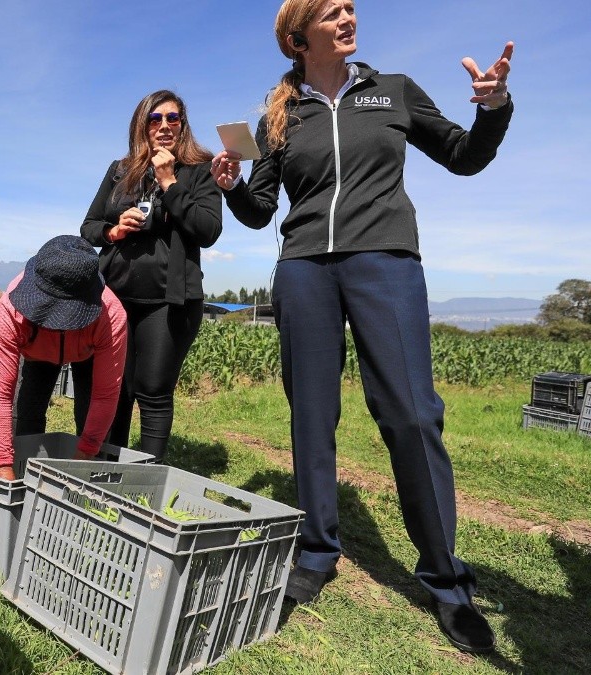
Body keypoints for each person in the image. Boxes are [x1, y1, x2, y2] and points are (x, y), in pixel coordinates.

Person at [211, 0, 513, 654]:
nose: (350, 16)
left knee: (410, 412)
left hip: (386, 262)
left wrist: (492, 110)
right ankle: (317, 553)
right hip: (303, 270)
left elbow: (463, 156)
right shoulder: (277, 113)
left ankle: (446, 580)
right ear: (299, 36)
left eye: (351, 7)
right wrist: (233, 183)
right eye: (333, 11)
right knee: (311, 415)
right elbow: (261, 210)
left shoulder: (393, 90)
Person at [80, 90, 223, 462]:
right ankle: (108, 470)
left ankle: (149, 480)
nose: (163, 127)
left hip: (167, 300)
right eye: (154, 119)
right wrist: (113, 230)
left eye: (172, 119)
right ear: (141, 126)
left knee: (153, 388)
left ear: (182, 125)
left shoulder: (199, 171)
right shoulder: (120, 171)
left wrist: (168, 181)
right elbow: (89, 226)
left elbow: (207, 230)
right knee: (115, 388)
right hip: (114, 297)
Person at [0, 235, 128, 480]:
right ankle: (24, 472)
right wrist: (3, 465)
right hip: (36, 352)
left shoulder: (110, 315)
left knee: (88, 417)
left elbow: (105, 395)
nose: (57, 324)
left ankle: (92, 480)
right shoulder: (10, 310)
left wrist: (84, 457)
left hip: (87, 352)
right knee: (27, 412)